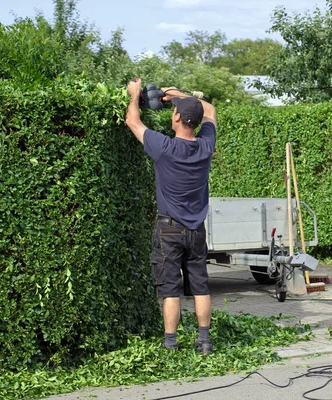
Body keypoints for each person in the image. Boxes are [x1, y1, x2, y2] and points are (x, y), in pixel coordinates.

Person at [125, 78, 217, 355]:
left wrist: (133, 95)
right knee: (200, 286)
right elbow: (209, 110)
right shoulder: (205, 146)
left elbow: (133, 121)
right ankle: (204, 342)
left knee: (170, 290)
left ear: (176, 118)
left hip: (169, 230)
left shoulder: (163, 147)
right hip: (196, 229)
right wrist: (177, 96)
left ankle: (170, 344)